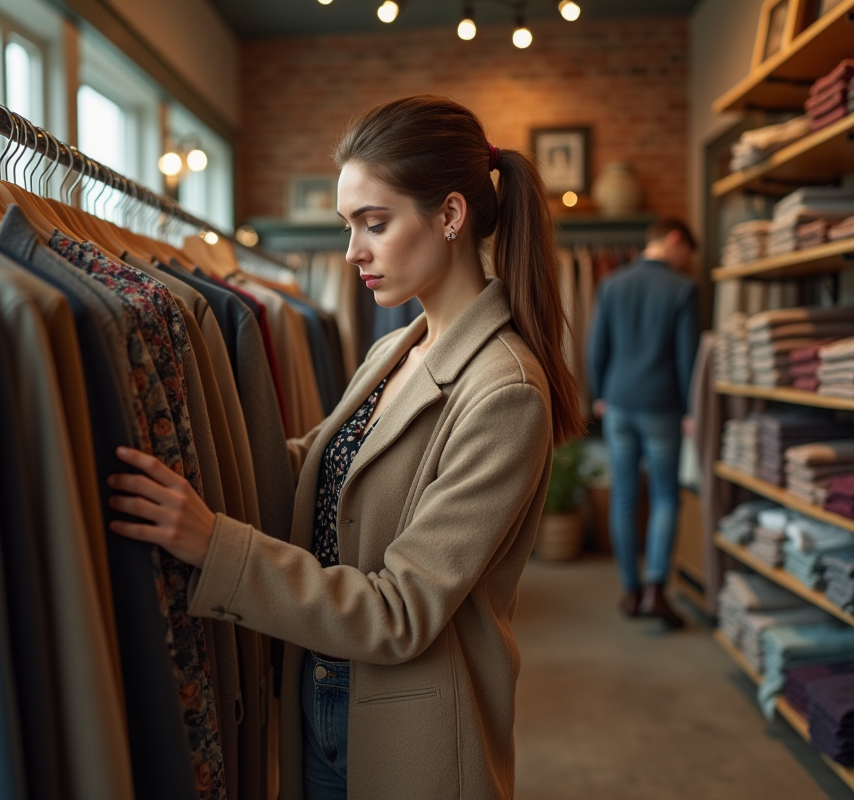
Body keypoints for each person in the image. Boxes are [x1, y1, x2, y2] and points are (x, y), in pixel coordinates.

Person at [104, 95, 583, 799]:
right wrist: (186, 443)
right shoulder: (398, 347)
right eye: (349, 225)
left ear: (450, 216)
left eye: (375, 223)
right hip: (322, 693)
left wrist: (216, 546)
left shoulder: (505, 391)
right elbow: (322, 473)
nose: (352, 251)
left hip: (407, 721)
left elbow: (403, 611)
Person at [586, 218, 700, 629]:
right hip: (663, 405)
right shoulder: (683, 289)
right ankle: (656, 589)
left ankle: (631, 592)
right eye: (688, 251)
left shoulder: (612, 283)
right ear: (674, 240)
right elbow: (689, 358)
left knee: (625, 495)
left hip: (616, 402)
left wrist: (598, 395)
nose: (688, 262)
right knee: (666, 496)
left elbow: (595, 345)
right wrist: (691, 409)